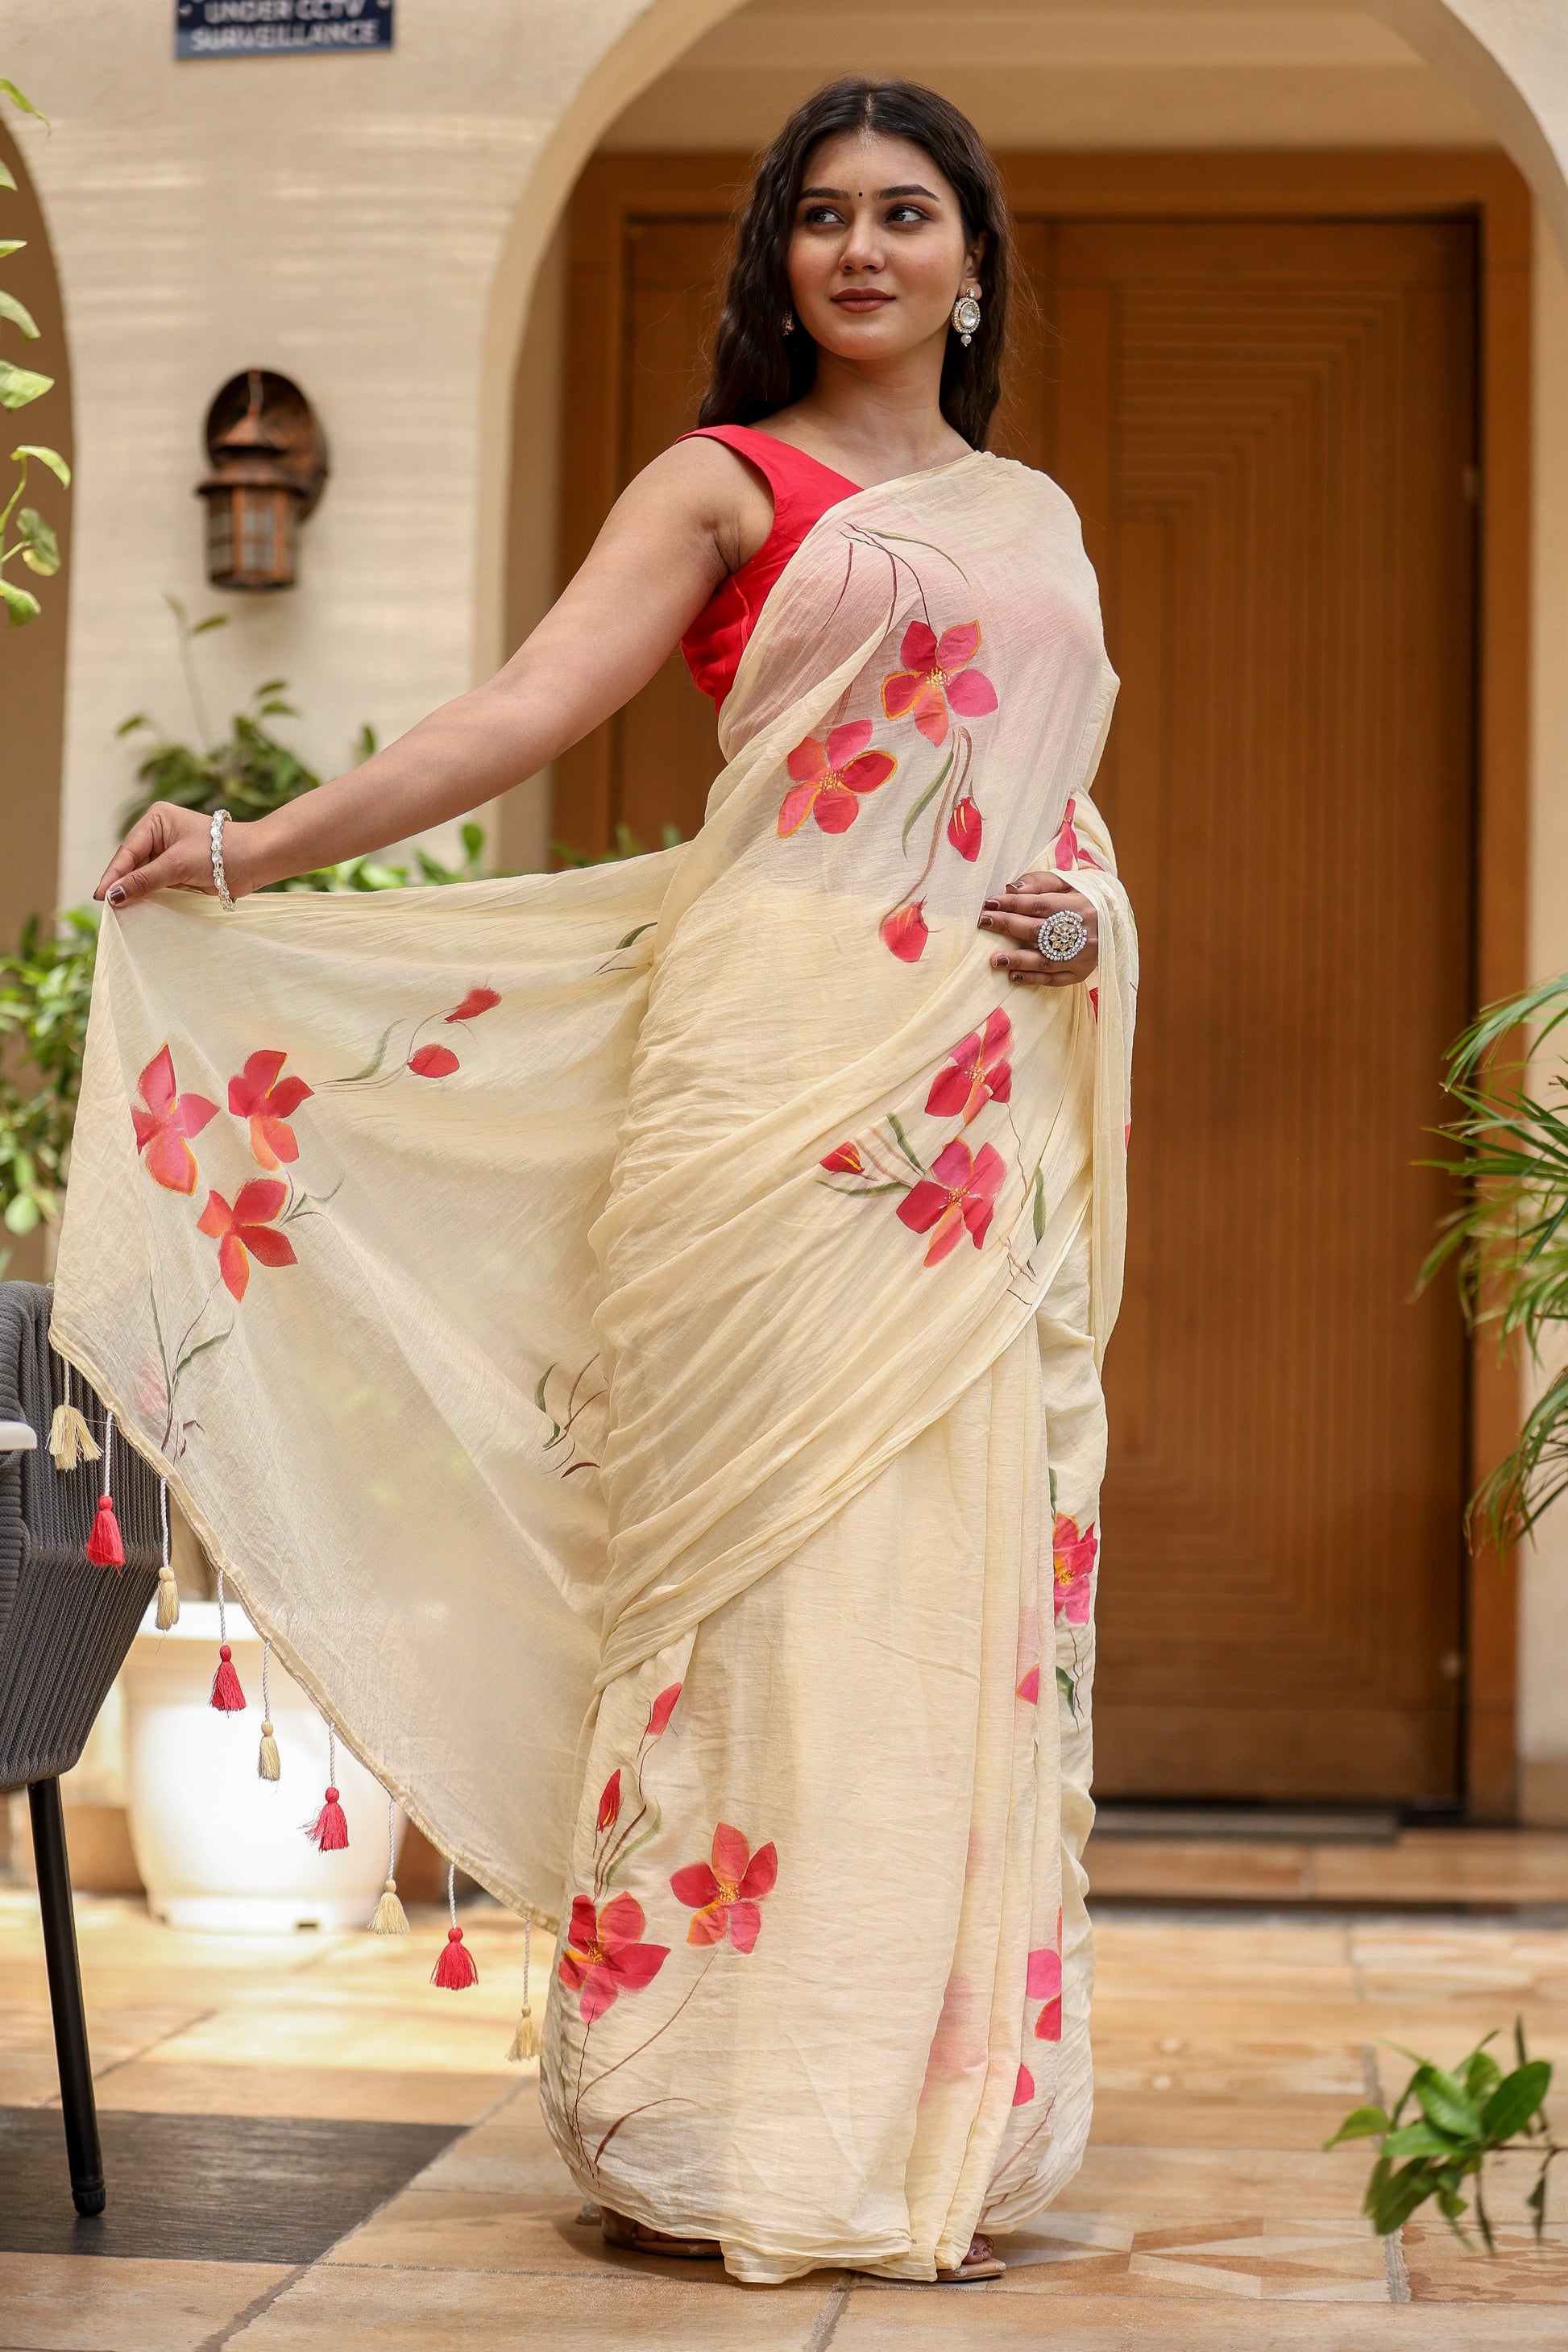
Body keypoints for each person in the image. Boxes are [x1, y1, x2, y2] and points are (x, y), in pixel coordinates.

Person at [62, 77, 1134, 2285]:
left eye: (904, 213)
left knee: (938, 1586)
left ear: (970, 259)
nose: (861, 249)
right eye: (821, 215)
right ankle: (727, 2115)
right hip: (763, 1072)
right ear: (780, 261)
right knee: (754, 1584)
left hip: (961, 1100)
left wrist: (1080, 918)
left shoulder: (1029, 515)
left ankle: (920, 2109)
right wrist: (252, 848)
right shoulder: (722, 480)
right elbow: (521, 713)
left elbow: (1047, 805)